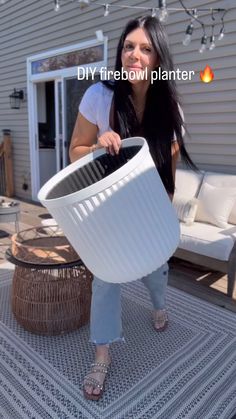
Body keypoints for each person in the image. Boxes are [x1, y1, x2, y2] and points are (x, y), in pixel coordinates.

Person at [69, 15, 197, 401]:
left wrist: (162, 215)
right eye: (128, 46)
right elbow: (74, 151)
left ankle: (159, 305)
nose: (134, 54)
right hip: (107, 208)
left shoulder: (171, 110)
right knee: (106, 279)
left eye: (145, 48)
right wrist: (96, 145)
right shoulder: (99, 96)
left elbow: (169, 173)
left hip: (148, 207)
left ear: (158, 58)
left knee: (157, 269)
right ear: (120, 52)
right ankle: (103, 354)